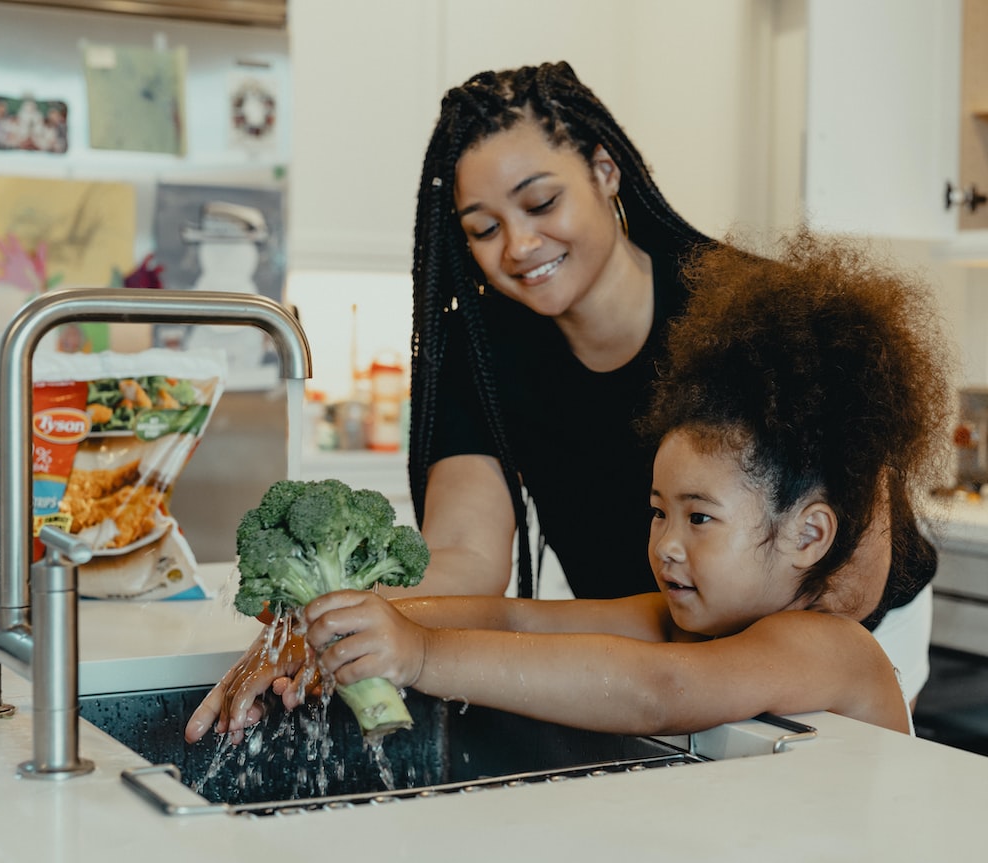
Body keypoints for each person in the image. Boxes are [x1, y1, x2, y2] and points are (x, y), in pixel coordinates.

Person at [185, 62, 944, 743]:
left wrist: (418, 649)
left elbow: (781, 619)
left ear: (605, 171)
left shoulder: (753, 319)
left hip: (817, 626)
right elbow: (482, 575)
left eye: (541, 201)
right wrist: (341, 622)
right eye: (483, 228)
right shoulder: (485, 353)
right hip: (679, 621)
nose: (517, 246)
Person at [264, 231, 953, 738]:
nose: (667, 546)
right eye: (659, 513)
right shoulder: (685, 619)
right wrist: (352, 625)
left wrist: (418, 654)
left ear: (808, 534)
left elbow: (657, 691)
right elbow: (516, 619)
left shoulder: (827, 646)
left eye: (700, 518)